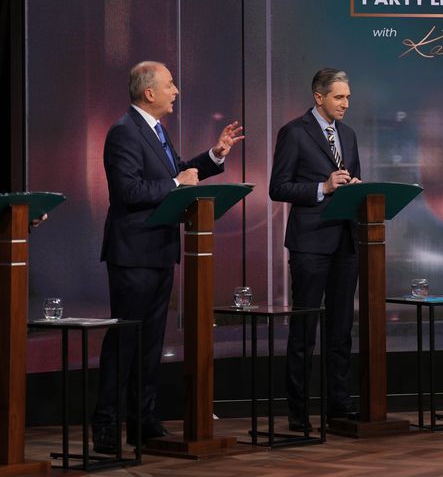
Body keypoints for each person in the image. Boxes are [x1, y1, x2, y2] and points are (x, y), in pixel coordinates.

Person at [92, 61, 244, 453]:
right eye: (170, 85)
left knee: (150, 343)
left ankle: (143, 421)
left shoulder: (156, 131)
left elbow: (178, 173)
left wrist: (214, 155)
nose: (176, 91)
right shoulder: (123, 132)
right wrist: (177, 182)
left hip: (160, 251)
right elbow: (129, 191)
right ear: (149, 93)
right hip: (133, 252)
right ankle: (106, 425)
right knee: (126, 341)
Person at [269, 68, 361, 430]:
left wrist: (353, 186)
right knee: (304, 330)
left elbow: (351, 182)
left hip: (346, 242)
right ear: (319, 97)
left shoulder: (349, 136)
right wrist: (322, 187)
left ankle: (338, 405)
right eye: (339, 97)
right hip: (310, 243)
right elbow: (279, 187)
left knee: (340, 331)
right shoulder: (294, 132)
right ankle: (298, 411)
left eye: (348, 98)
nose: (345, 104)